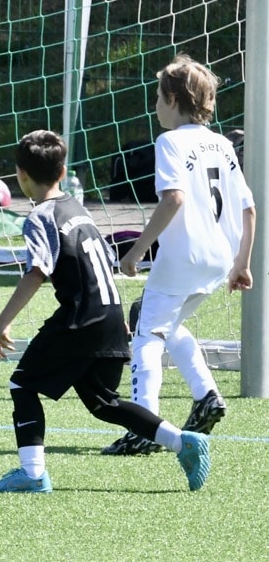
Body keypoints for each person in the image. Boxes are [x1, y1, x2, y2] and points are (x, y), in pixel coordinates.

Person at [0, 129, 210, 493]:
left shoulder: (40, 217)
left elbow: (37, 271)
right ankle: (182, 441)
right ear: (62, 172)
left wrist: (2, 322)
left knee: (22, 384)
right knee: (104, 402)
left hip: (79, 319)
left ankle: (32, 473)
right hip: (108, 317)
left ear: (20, 175)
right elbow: (104, 262)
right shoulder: (78, 208)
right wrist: (117, 320)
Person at [103, 55, 255, 456]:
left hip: (183, 258)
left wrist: (135, 250)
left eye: (157, 96)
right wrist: (243, 263)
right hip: (220, 258)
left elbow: (173, 198)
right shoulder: (223, 143)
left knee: (146, 335)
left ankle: (144, 426)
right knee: (166, 325)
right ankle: (206, 394)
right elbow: (249, 208)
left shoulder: (169, 142)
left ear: (171, 99)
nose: (154, 105)